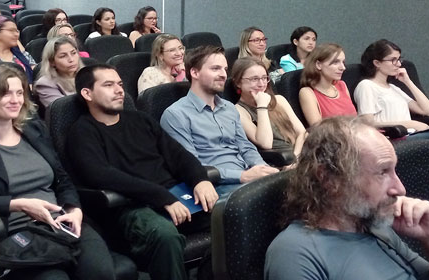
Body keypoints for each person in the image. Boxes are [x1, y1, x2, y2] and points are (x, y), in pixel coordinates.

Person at [0, 64, 115, 280]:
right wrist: (18, 204)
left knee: (101, 273)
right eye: (5, 93)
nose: (15, 100)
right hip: (17, 233)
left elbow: (62, 180)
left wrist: (73, 209)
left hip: (61, 224)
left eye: (19, 92)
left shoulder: (34, 130)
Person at [264, 116, 429, 280]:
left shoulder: (375, 226)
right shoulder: (296, 253)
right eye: (382, 172)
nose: (400, 188)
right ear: (328, 179)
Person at [67, 64, 217, 280]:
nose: (119, 90)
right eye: (108, 85)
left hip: (174, 195)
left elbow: (178, 155)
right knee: (165, 236)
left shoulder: (140, 120)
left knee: (229, 216)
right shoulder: (82, 132)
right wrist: (162, 197)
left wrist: (200, 180)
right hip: (131, 206)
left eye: (120, 84)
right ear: (87, 93)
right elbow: (100, 174)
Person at [161, 45, 279, 187]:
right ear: (195, 72)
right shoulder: (176, 115)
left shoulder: (228, 108)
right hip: (215, 185)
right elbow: (191, 166)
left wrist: (263, 169)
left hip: (246, 177)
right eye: (215, 68)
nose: (223, 74)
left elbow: (246, 147)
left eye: (225, 69)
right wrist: (242, 176)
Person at [355, 39, 429, 132]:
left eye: (398, 59)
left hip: (410, 136)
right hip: (391, 138)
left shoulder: (394, 88)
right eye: (393, 60)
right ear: (377, 63)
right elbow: (367, 123)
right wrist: (409, 124)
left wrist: (408, 82)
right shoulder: (366, 86)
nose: (399, 64)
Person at [231, 57, 305, 156]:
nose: (261, 84)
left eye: (264, 78)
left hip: (299, 154)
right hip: (278, 160)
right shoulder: (238, 110)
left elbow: (302, 133)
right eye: (254, 79)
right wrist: (261, 106)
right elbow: (265, 143)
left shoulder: (279, 100)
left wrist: (296, 156)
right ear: (238, 82)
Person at [299, 43, 357, 126]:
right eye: (335, 62)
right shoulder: (307, 92)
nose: (343, 67)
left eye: (343, 62)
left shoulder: (342, 85)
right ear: (318, 65)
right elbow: (318, 129)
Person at [35, 36, 83, 108]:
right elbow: (63, 111)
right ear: (52, 62)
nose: (71, 59)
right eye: (63, 56)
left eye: (73, 53)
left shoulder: (89, 75)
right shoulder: (45, 84)